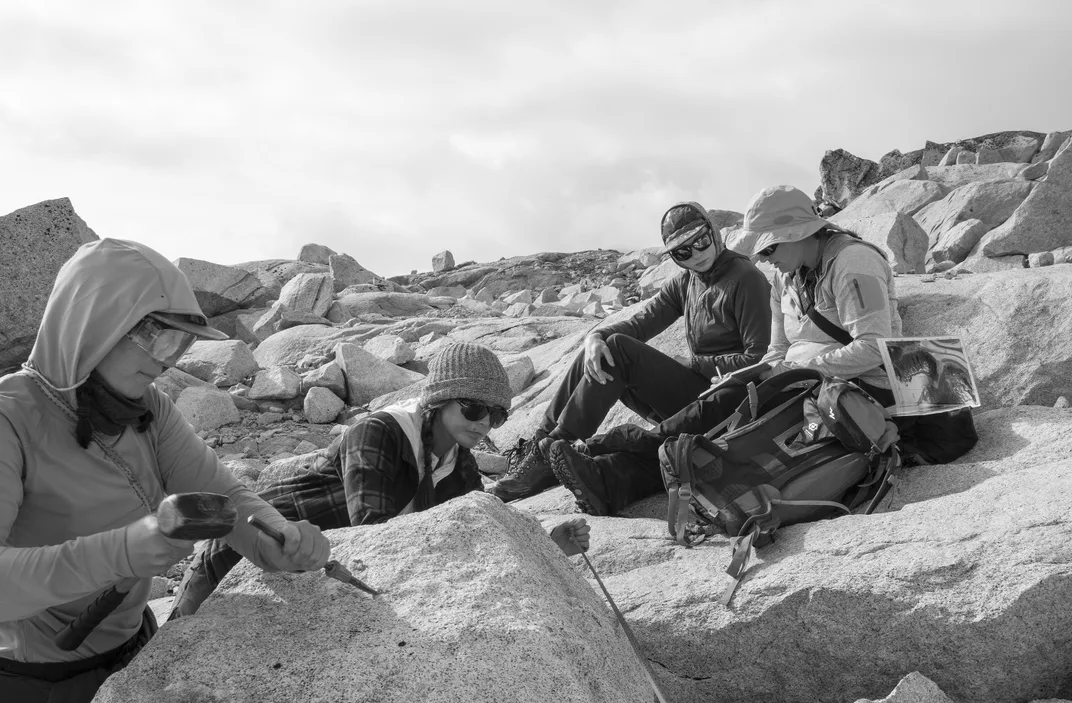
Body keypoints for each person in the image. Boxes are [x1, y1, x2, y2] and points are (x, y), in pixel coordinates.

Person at [0, 238, 334, 703]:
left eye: (178, 342)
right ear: (93, 319)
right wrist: (127, 550)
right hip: (23, 691)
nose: (165, 359)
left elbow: (224, 499)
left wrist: (276, 541)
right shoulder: (9, 418)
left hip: (130, 656)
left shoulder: (147, 409)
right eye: (153, 336)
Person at [546, 184, 976, 514]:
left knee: (736, 424)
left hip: (861, 386)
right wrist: (760, 373)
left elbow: (875, 348)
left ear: (799, 233)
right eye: (762, 249)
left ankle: (623, 446)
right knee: (727, 423)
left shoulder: (853, 262)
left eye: (770, 247)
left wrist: (795, 371)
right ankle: (612, 480)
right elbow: (774, 352)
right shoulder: (784, 277)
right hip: (807, 384)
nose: (765, 257)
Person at [170, 341, 591, 618]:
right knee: (169, 651)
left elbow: (478, 539)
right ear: (440, 400)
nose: (485, 424)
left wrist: (547, 550)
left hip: (311, 570)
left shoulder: (458, 465)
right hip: (244, 551)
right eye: (474, 409)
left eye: (497, 415)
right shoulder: (381, 432)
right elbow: (371, 532)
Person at [488, 201, 772, 503]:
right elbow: (640, 323)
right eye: (683, 252)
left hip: (726, 402)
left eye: (701, 241)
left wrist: (693, 363)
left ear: (713, 231)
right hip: (695, 396)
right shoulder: (687, 282)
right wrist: (595, 336)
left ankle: (553, 450)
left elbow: (757, 358)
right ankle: (541, 444)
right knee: (599, 350)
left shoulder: (746, 278)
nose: (697, 254)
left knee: (619, 350)